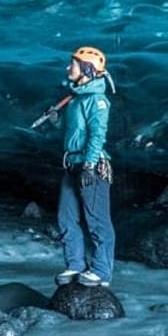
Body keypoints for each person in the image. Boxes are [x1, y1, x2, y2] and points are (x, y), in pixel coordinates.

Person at [51, 45, 116, 287]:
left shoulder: (97, 101)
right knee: (66, 217)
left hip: (91, 165)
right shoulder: (75, 100)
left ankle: (102, 270)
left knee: (97, 220)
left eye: (74, 64)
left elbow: (97, 135)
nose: (69, 68)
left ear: (87, 70)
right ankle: (75, 264)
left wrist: (89, 165)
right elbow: (74, 134)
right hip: (73, 163)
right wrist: (56, 121)